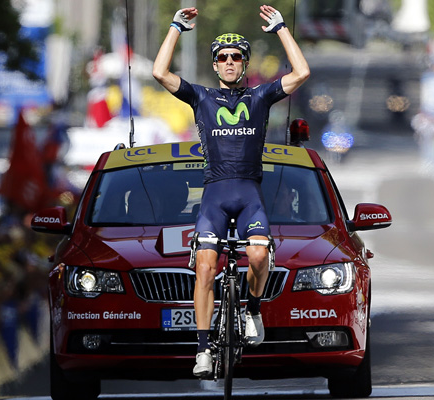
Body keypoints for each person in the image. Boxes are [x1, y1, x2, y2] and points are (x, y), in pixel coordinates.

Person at [153, 5, 310, 378]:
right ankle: (203, 349)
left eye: (235, 57)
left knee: (258, 257)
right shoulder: (202, 98)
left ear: (244, 63)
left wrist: (282, 30)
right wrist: (176, 26)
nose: (228, 62)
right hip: (215, 197)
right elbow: (159, 72)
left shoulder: (259, 97)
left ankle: (253, 310)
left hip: (249, 192)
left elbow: (302, 72)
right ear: (215, 65)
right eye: (221, 58)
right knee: (206, 267)